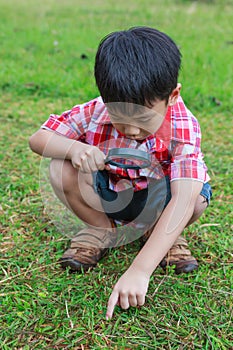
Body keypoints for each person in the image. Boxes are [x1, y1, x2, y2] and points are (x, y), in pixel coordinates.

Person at [29, 27, 212, 320]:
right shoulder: (96, 111)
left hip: (162, 202)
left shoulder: (182, 126)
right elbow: (38, 139)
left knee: (197, 197)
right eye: (120, 117)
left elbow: (185, 196)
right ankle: (103, 230)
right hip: (114, 195)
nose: (130, 130)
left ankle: (161, 234)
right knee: (59, 164)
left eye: (142, 119)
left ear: (172, 95)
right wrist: (75, 150)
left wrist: (139, 270)